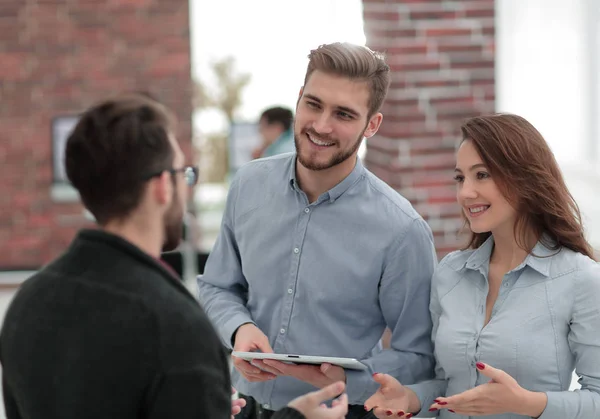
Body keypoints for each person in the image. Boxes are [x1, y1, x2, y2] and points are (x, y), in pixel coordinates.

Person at [0, 94, 348, 419]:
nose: (186, 186)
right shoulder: (173, 326)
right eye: (185, 174)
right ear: (162, 186)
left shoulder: (26, 304)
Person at [197, 42, 437, 419]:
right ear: (299, 100)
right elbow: (217, 286)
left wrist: (347, 377)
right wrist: (239, 329)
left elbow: (419, 357)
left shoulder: (403, 231)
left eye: (343, 114)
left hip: (338, 411)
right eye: (314, 104)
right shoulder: (248, 184)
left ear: (371, 124)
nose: (322, 125)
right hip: (241, 407)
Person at [364, 113, 600, 418]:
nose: (465, 193)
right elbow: (449, 385)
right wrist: (410, 398)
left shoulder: (580, 279)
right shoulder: (450, 273)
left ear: (525, 177)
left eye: (482, 175)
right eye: (460, 178)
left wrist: (526, 403)